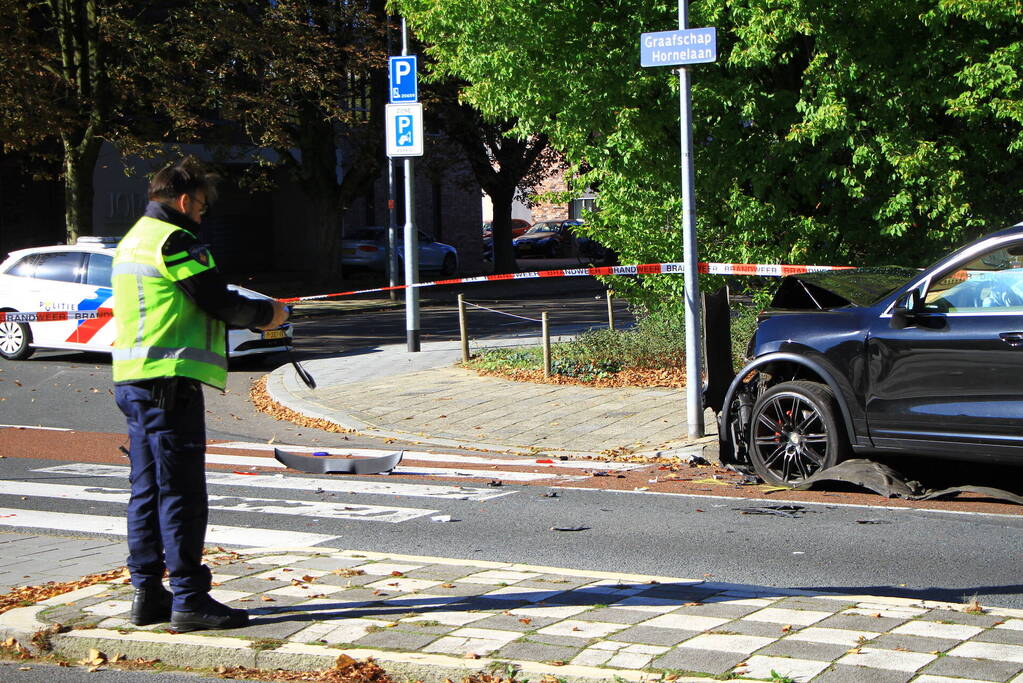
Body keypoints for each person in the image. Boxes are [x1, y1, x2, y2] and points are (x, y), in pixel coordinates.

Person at [111, 157, 289, 632]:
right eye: (204, 207)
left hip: (134, 379)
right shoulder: (175, 240)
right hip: (170, 382)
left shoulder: (134, 241)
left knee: (146, 490)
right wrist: (270, 315)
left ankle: (147, 593)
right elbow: (218, 300)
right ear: (186, 201)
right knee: (182, 493)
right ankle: (190, 599)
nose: (204, 215)